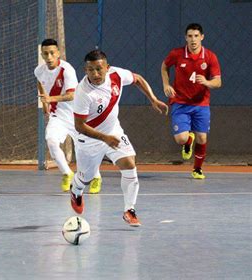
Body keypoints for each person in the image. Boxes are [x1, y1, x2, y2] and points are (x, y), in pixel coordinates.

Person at [71, 50, 168, 227]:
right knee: (87, 178)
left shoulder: (116, 75)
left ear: (107, 68)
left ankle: (129, 210)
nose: (95, 74)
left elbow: (137, 78)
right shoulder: (83, 92)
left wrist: (153, 99)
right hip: (89, 139)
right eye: (90, 70)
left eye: (99, 69)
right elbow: (79, 126)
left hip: (113, 132)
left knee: (129, 164)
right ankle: (76, 190)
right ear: (85, 70)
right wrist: (104, 138)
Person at [34, 39, 102, 193]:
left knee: (85, 151)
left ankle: (96, 177)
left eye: (52, 53)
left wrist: (50, 99)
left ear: (58, 53)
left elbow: (72, 95)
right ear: (42, 55)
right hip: (57, 116)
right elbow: (40, 84)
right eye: (46, 53)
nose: (49, 56)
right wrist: (45, 103)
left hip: (77, 115)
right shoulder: (39, 70)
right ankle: (67, 173)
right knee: (51, 141)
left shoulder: (67, 70)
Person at [161, 23, 222, 179]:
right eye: (190, 36)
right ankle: (188, 141)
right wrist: (166, 84)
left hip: (201, 104)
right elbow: (164, 66)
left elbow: (218, 81)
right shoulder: (177, 54)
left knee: (202, 138)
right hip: (180, 102)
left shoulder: (210, 57)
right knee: (181, 138)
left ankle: (197, 169)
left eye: (196, 36)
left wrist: (207, 83)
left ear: (202, 37)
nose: (193, 39)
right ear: (185, 38)